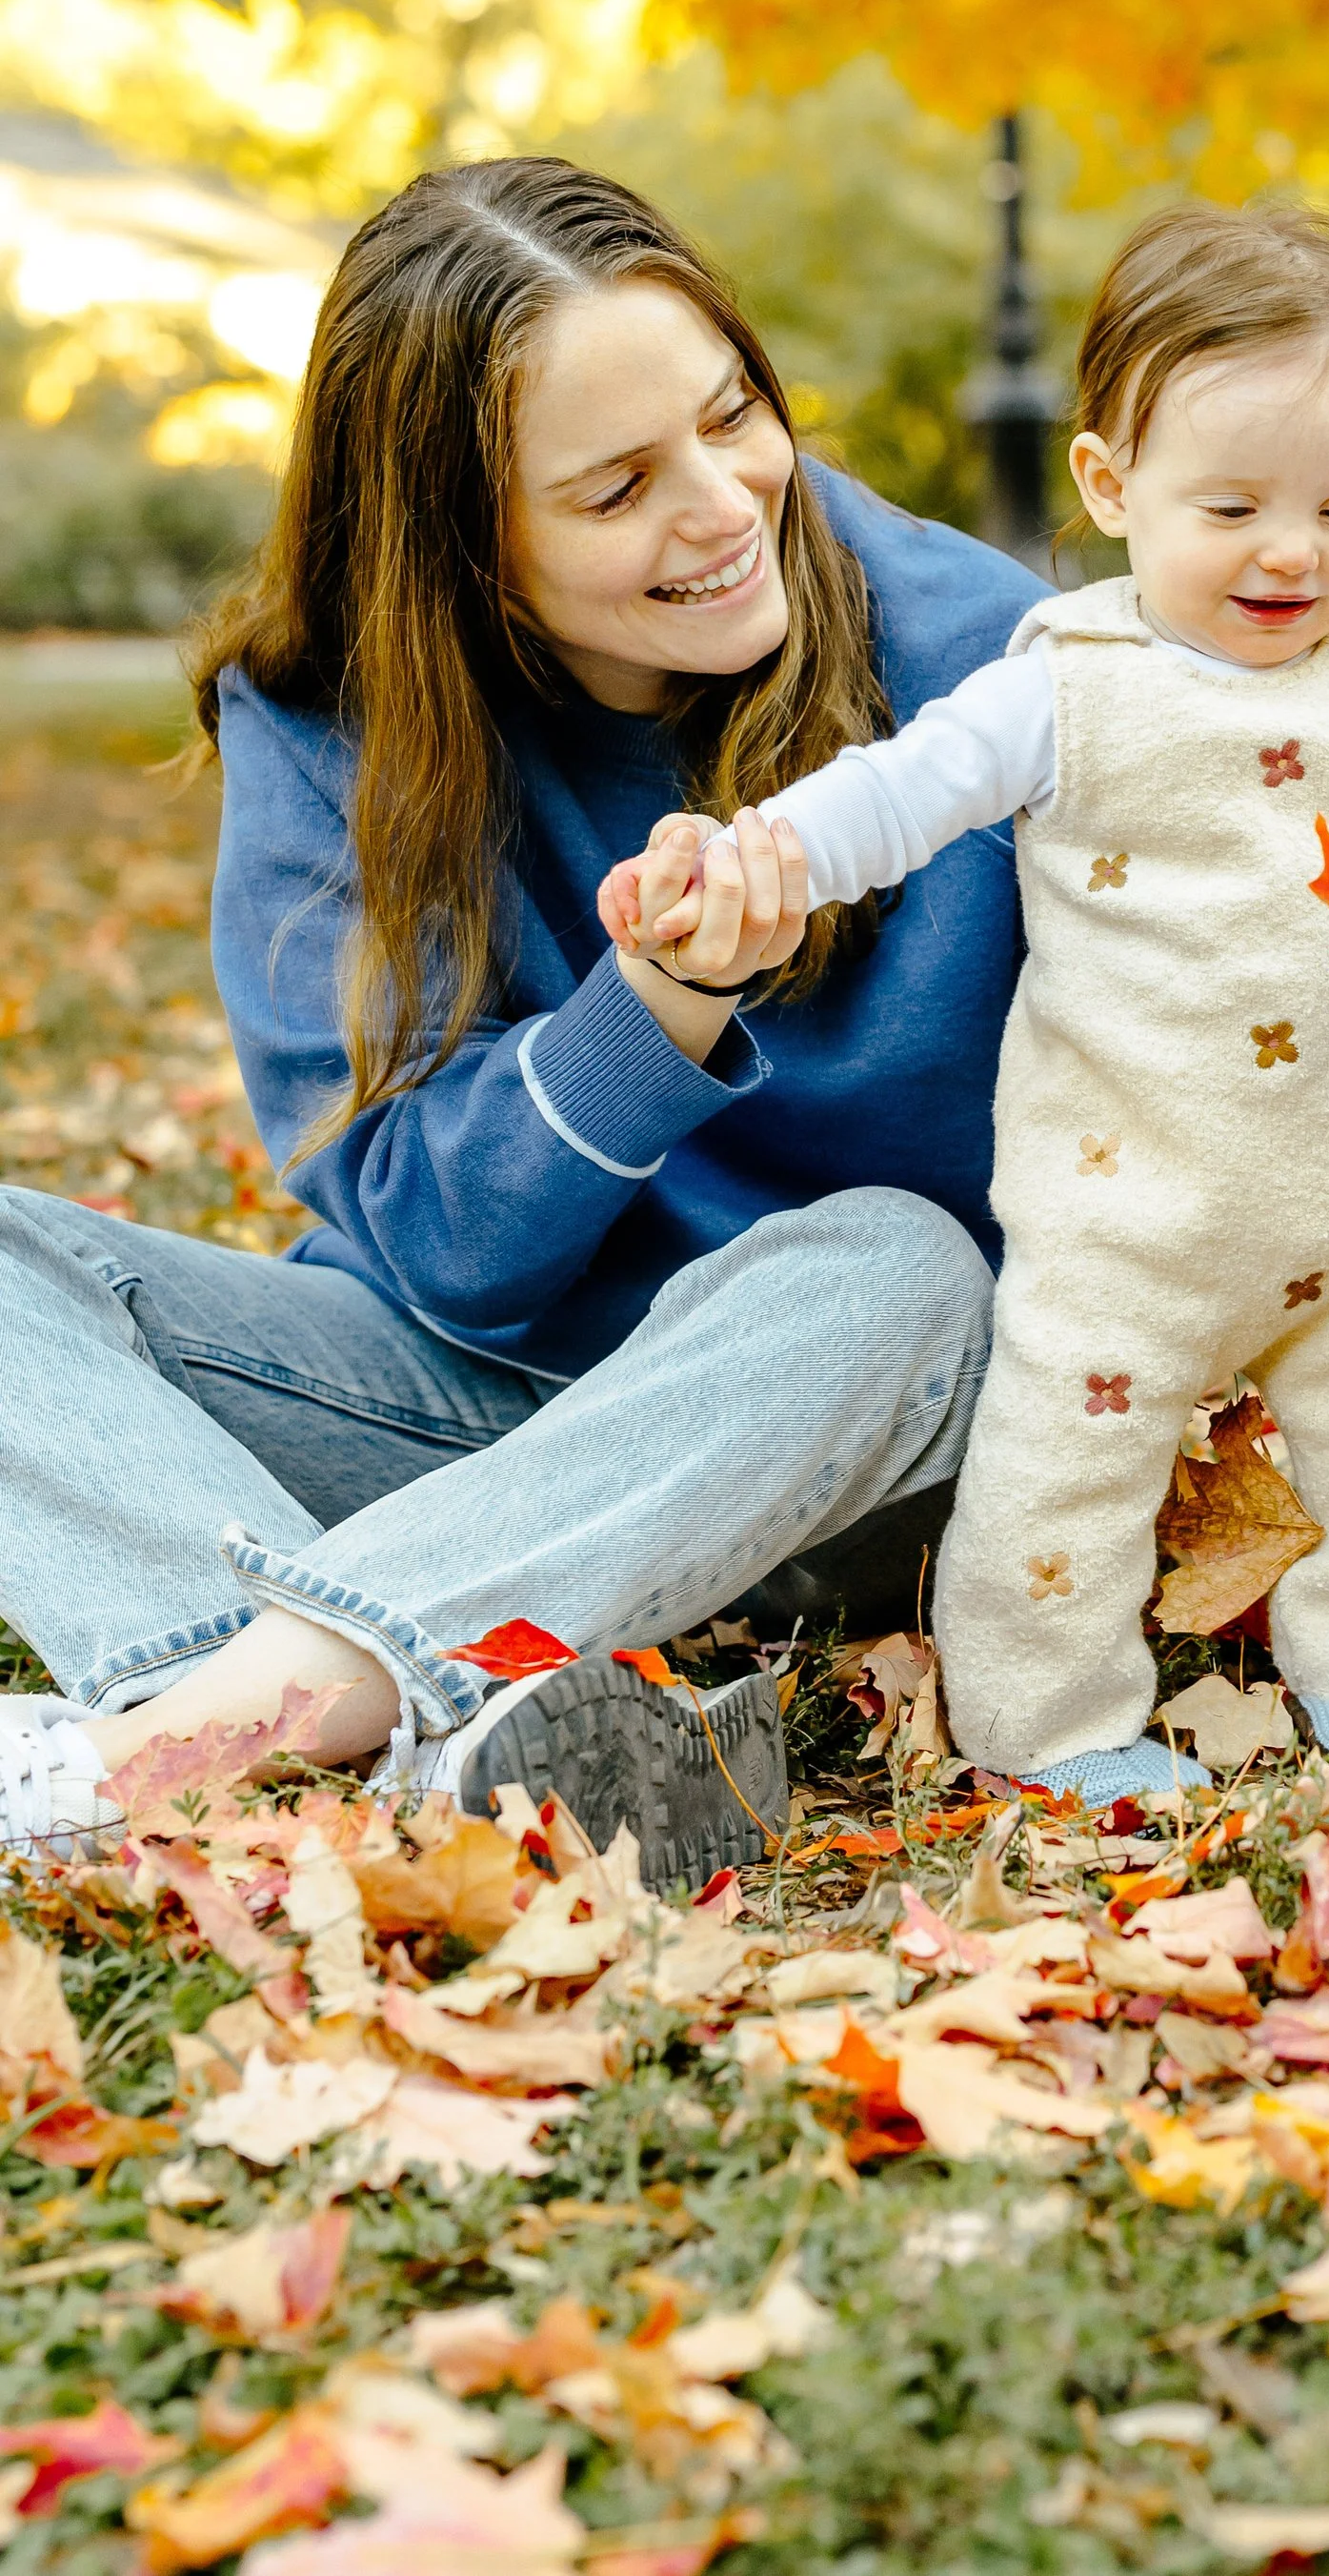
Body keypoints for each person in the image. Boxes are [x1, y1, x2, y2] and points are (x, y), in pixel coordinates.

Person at [608, 206, 1329, 1806]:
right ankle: (1055, 1721)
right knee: (1059, 1477)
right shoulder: (1064, 680)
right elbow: (897, 793)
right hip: (1125, 1204)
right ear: (1109, 487)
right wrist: (760, 856)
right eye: (1232, 505)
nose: (1295, 550)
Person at [0, 156, 1033, 1876]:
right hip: (481, 1411)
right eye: (620, 485)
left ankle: (207, 1733)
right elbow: (445, 1253)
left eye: (732, 417)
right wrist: (657, 1005)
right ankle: (382, 1734)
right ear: (461, 548)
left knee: (904, 1267)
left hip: (837, 1444)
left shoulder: (992, 668)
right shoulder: (331, 719)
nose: (722, 506)